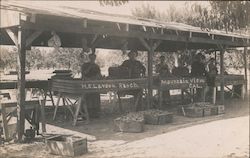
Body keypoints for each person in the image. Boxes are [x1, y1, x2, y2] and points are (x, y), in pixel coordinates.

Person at [81, 53, 102, 118]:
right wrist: (90, 66)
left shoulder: (97, 66)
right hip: (86, 84)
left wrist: (98, 77)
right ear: (89, 58)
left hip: (94, 83)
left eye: (94, 58)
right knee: (87, 98)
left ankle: (95, 113)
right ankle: (85, 113)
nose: (93, 59)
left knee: (95, 97)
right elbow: (84, 73)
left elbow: (99, 75)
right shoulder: (85, 65)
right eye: (91, 58)